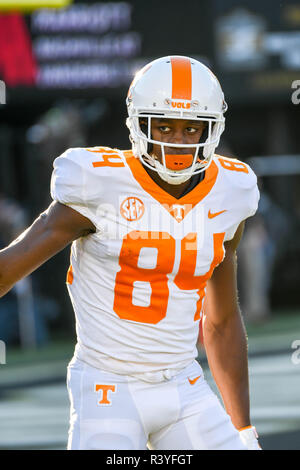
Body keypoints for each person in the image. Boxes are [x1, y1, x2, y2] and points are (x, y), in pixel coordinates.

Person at [0, 56, 261, 450]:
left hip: (184, 384)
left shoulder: (231, 191)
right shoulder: (97, 183)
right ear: (139, 124)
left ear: (213, 129)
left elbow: (221, 320)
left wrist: (243, 429)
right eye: (164, 126)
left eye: (191, 128)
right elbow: (7, 270)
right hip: (108, 385)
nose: (177, 140)